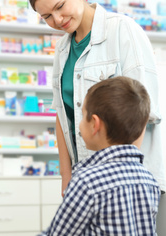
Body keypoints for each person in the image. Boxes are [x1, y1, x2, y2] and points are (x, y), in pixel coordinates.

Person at [28, 0, 166, 230]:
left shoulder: (123, 30)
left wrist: (124, 175)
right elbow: (62, 114)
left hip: (133, 179)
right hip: (87, 176)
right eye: (46, 16)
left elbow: (142, 112)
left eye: (59, 7)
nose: (57, 20)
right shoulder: (62, 49)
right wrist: (67, 175)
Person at [39, 76, 161, 235]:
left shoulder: (86, 182)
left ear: (95, 124)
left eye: (83, 116)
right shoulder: (149, 179)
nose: (80, 124)